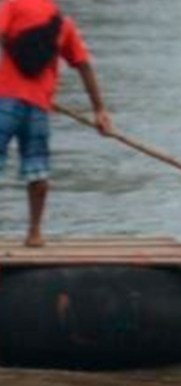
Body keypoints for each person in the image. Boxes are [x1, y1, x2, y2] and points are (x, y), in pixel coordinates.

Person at [0, 0, 112, 246]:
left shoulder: (13, 6)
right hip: (38, 106)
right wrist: (99, 110)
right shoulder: (63, 24)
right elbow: (84, 65)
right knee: (37, 169)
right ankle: (34, 233)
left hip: (5, 101)